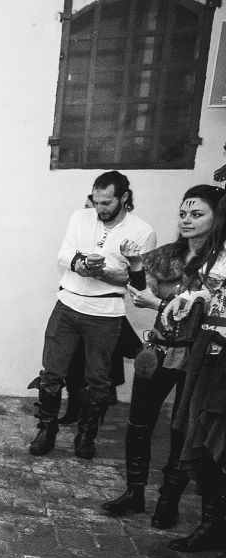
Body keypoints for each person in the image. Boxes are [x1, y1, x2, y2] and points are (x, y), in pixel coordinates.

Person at [102, 185, 223, 523]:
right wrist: (135, 264)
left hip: (197, 356)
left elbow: (205, 312)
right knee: (138, 423)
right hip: (158, 348)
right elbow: (142, 291)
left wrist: (157, 303)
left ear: (217, 217)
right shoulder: (169, 254)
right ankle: (134, 492)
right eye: (183, 214)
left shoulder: (218, 264)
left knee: (180, 429)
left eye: (196, 214)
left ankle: (169, 500)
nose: (186, 220)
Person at [29, 172, 155, 459]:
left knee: (97, 379)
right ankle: (46, 430)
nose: (100, 208)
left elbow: (139, 281)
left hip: (106, 312)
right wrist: (80, 263)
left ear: (124, 197)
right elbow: (63, 254)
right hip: (68, 304)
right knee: (51, 373)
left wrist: (103, 272)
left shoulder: (142, 231)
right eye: (95, 201)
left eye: (106, 202)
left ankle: (86, 436)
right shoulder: (80, 217)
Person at [162, 193, 226, 558]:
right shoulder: (216, 249)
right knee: (200, 435)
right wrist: (189, 296)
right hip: (210, 351)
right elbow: (210, 289)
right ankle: (212, 526)